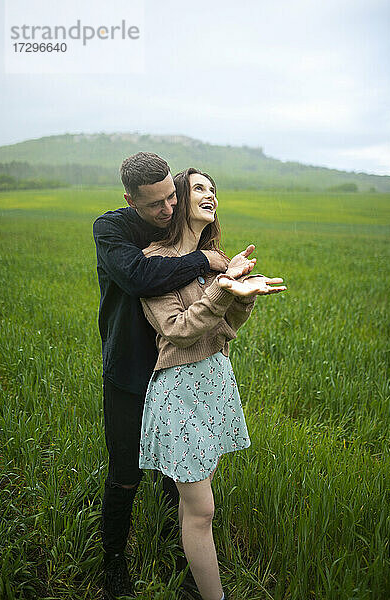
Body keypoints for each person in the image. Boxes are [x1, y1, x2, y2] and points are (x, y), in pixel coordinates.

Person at [93, 152, 256, 599]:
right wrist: (208, 265)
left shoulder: (180, 230)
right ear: (131, 200)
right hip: (131, 368)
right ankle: (113, 562)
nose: (166, 210)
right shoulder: (115, 230)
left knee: (177, 476)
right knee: (126, 471)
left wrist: (234, 289)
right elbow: (141, 277)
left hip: (184, 371)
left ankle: (183, 551)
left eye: (171, 197)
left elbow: (219, 324)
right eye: (156, 204)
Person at [138, 168, 286, 600]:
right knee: (203, 509)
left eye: (213, 189)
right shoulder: (154, 261)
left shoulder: (215, 259)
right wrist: (222, 291)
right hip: (179, 391)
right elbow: (177, 329)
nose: (210, 195)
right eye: (200, 188)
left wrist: (243, 298)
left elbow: (222, 329)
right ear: (178, 199)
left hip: (215, 382)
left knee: (193, 506)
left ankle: (192, 577)